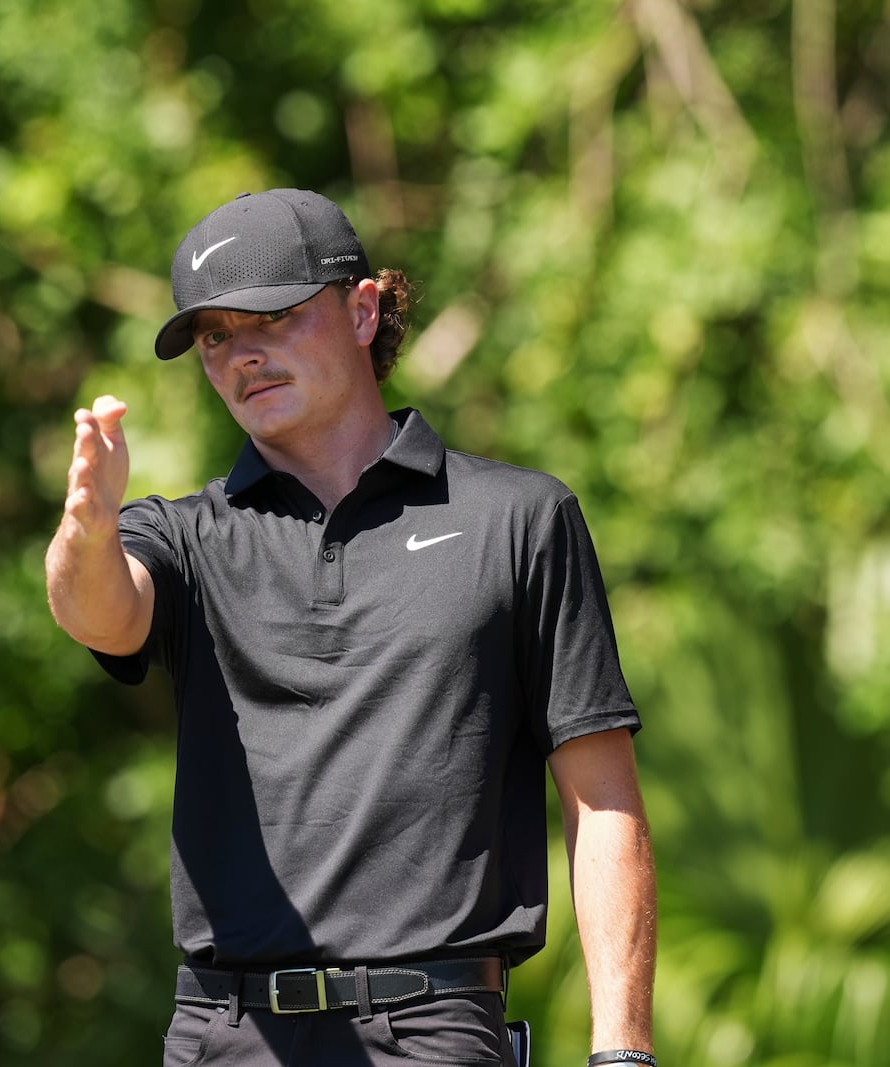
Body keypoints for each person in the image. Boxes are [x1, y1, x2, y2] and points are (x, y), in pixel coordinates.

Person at [46, 188, 656, 1067]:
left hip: (434, 1032)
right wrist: (88, 528)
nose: (242, 355)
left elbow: (603, 804)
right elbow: (98, 610)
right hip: (225, 1037)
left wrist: (623, 1053)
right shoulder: (183, 535)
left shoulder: (518, 518)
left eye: (273, 317)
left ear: (363, 309)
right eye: (215, 336)